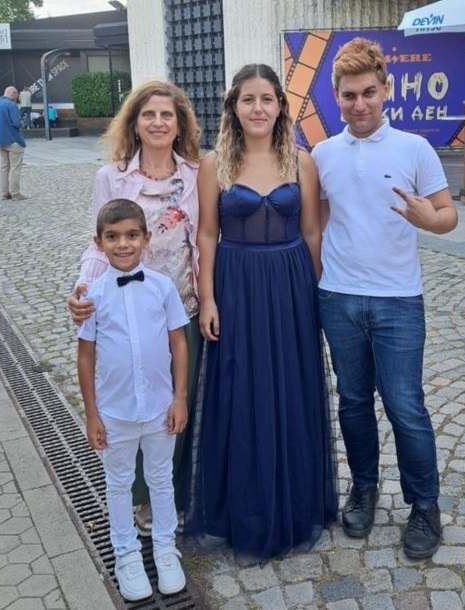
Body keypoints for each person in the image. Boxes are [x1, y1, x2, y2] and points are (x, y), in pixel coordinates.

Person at [311, 38, 458, 560]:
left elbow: (448, 215)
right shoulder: (322, 155)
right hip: (339, 297)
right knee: (353, 401)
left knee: (405, 406)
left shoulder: (414, 149)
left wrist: (428, 219)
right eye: (349, 95)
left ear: (386, 89)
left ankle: (424, 505)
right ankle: (364, 488)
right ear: (336, 96)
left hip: (398, 300)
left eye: (369, 92)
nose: (360, 104)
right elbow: (317, 225)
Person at [184, 63, 337, 562]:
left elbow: (312, 231)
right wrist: (208, 299)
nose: (258, 108)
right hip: (237, 286)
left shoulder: (302, 162)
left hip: (291, 285)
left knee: (291, 388)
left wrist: (316, 294)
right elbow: (207, 235)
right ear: (234, 107)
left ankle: (295, 502)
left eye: (266, 99)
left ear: (280, 107)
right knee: (241, 390)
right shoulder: (214, 165)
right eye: (248, 99)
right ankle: (243, 509)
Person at [67, 79, 202, 537]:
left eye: (167, 115)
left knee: (174, 403)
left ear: (180, 124)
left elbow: (204, 241)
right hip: (124, 311)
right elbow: (97, 242)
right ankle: (141, 497)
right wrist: (83, 289)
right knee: (130, 401)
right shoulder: (112, 177)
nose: (158, 122)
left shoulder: (198, 174)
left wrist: (209, 299)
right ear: (135, 123)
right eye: (149, 114)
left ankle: (172, 491)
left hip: (180, 307)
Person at [77, 198, 189, 600]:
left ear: (146, 238)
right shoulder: (93, 295)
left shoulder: (162, 287)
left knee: (160, 479)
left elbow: (178, 342)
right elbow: (86, 355)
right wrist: (92, 414)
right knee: (119, 482)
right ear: (99, 242)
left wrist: (179, 398)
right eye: (112, 237)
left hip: (160, 408)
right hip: (116, 412)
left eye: (131, 235)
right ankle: (125, 552)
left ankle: (164, 547)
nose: (122, 244)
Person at [0, 86, 27, 201]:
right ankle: (16, 193)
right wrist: (22, 123)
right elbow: (16, 123)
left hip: (0, 140)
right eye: (17, 95)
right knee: (15, 167)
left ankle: (4, 193)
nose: (17, 98)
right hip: (13, 140)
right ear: (13, 94)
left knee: (4, 167)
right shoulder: (11, 105)